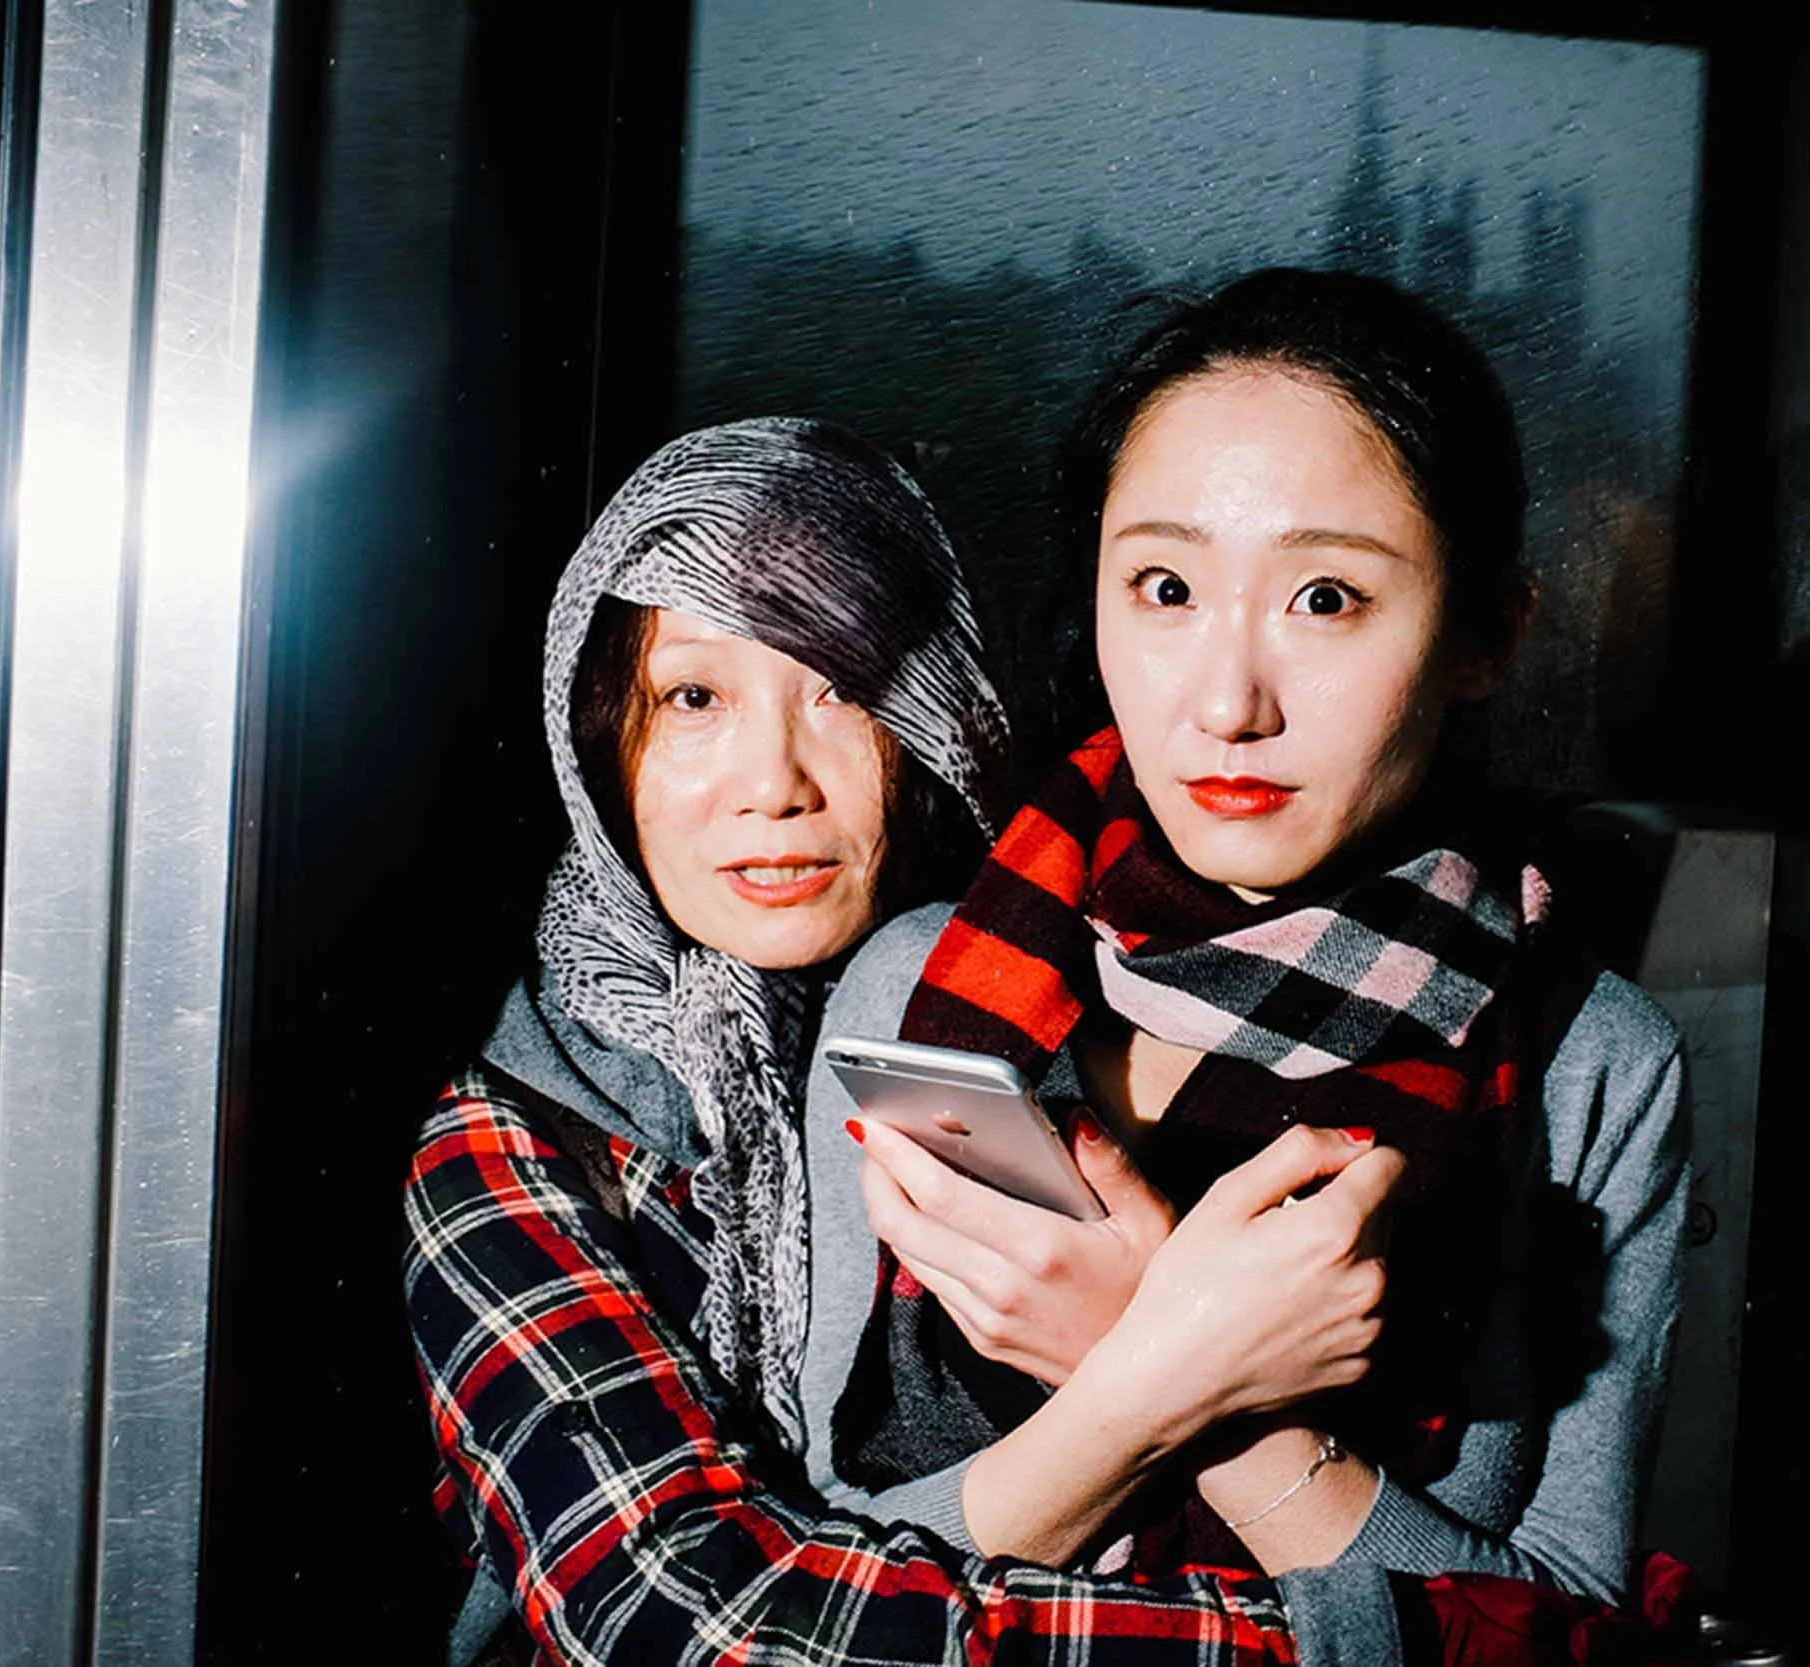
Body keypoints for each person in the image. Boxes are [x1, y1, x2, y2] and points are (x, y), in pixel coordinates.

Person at [402, 415, 1433, 1667]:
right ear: (599, 736)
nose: (773, 782)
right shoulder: (511, 1134)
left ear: (935, 717)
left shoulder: (1071, 1006)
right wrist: (1176, 1393)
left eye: (841, 688)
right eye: (693, 697)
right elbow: (693, 1632)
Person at [791, 268, 1690, 1602]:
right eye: (1163, 586)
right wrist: (1168, 1366)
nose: (1226, 699)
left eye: (1325, 598)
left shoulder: (1586, 1060)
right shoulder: (929, 986)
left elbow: (1553, 1620)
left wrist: (1171, 1366)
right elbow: (813, 1569)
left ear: (1486, 634)